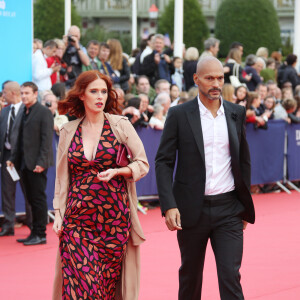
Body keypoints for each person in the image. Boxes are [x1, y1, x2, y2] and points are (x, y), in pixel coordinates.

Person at [155, 56, 255, 300]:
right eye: (209, 78)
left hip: (229, 208)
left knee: (231, 276)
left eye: (220, 78)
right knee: (190, 276)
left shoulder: (236, 112)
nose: (216, 84)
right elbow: (163, 161)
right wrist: (169, 205)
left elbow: (243, 160)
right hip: (190, 210)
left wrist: (244, 205)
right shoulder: (179, 114)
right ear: (196, 79)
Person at [51, 70, 149, 299]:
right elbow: (61, 178)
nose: (100, 97)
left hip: (113, 221)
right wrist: (58, 213)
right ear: (82, 95)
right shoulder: (68, 130)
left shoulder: (120, 125)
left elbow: (142, 164)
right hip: (77, 220)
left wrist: (120, 171)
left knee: (104, 289)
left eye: (104, 92)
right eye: (93, 91)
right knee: (82, 285)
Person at [7, 82, 54, 245]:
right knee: (30, 199)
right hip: (23, 163)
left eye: (27, 93)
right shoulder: (23, 111)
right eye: (22, 93)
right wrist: (13, 159)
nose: (24, 96)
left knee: (38, 199)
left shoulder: (43, 113)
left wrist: (41, 162)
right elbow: (19, 138)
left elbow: (46, 140)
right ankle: (34, 232)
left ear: (35, 94)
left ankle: (41, 234)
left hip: (37, 164)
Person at [0, 82, 32, 236]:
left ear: (12, 93)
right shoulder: (4, 112)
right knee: (7, 191)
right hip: (7, 157)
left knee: (28, 191)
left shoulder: (28, 110)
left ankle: (33, 224)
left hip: (24, 157)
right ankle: (8, 225)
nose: (3, 95)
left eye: (4, 92)